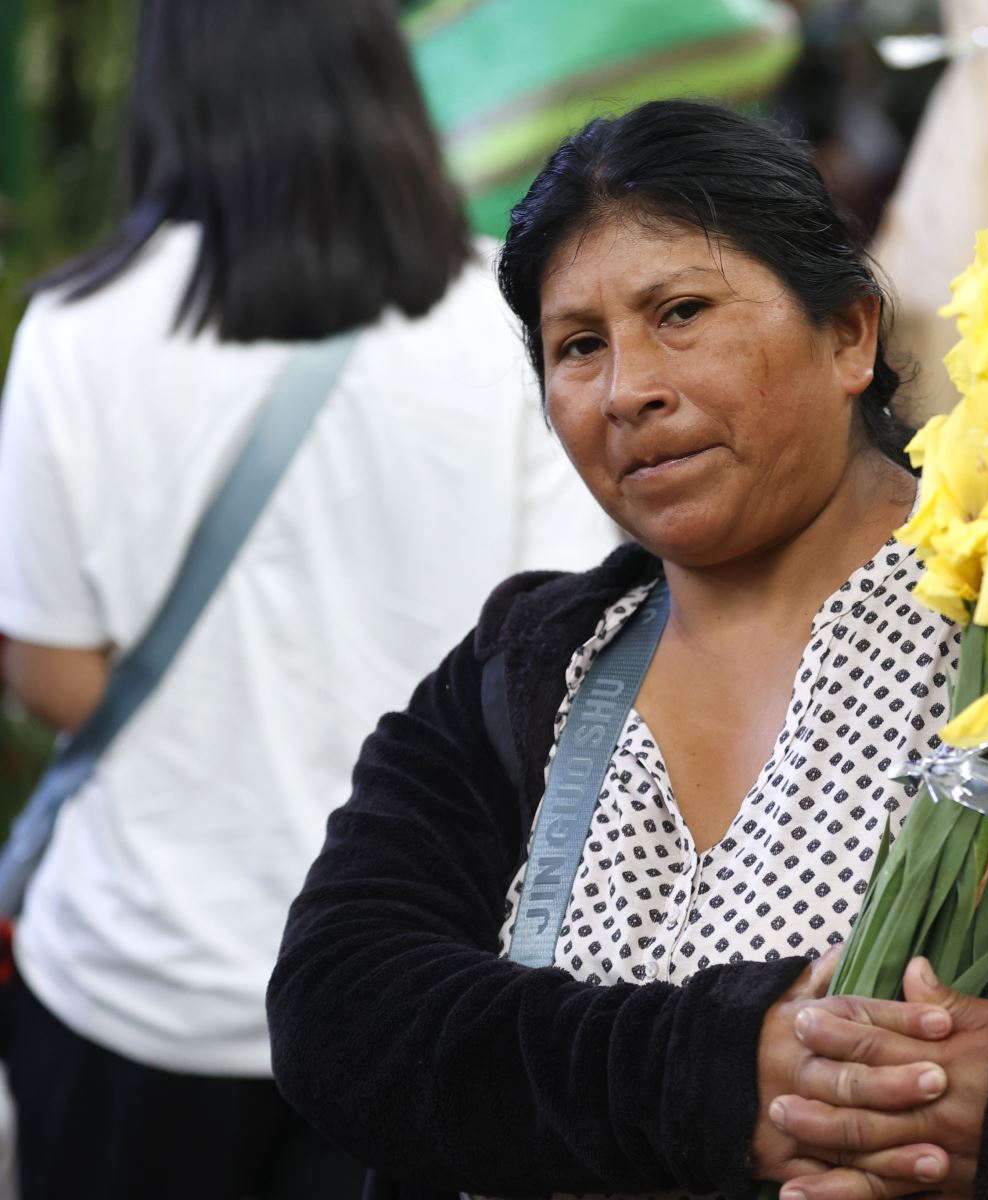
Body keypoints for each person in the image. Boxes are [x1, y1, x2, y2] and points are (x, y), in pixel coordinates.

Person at [268, 100, 988, 1200]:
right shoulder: (536, 665)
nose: (629, 391)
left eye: (683, 314)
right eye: (578, 347)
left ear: (848, 333)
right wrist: (720, 1077)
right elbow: (341, 1004)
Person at [0, 0, 616, 1195]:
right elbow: (564, 653)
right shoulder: (502, 331)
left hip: (139, 987)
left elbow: (45, 665)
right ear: (384, 83)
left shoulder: (78, 330)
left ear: (171, 95)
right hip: (410, 986)